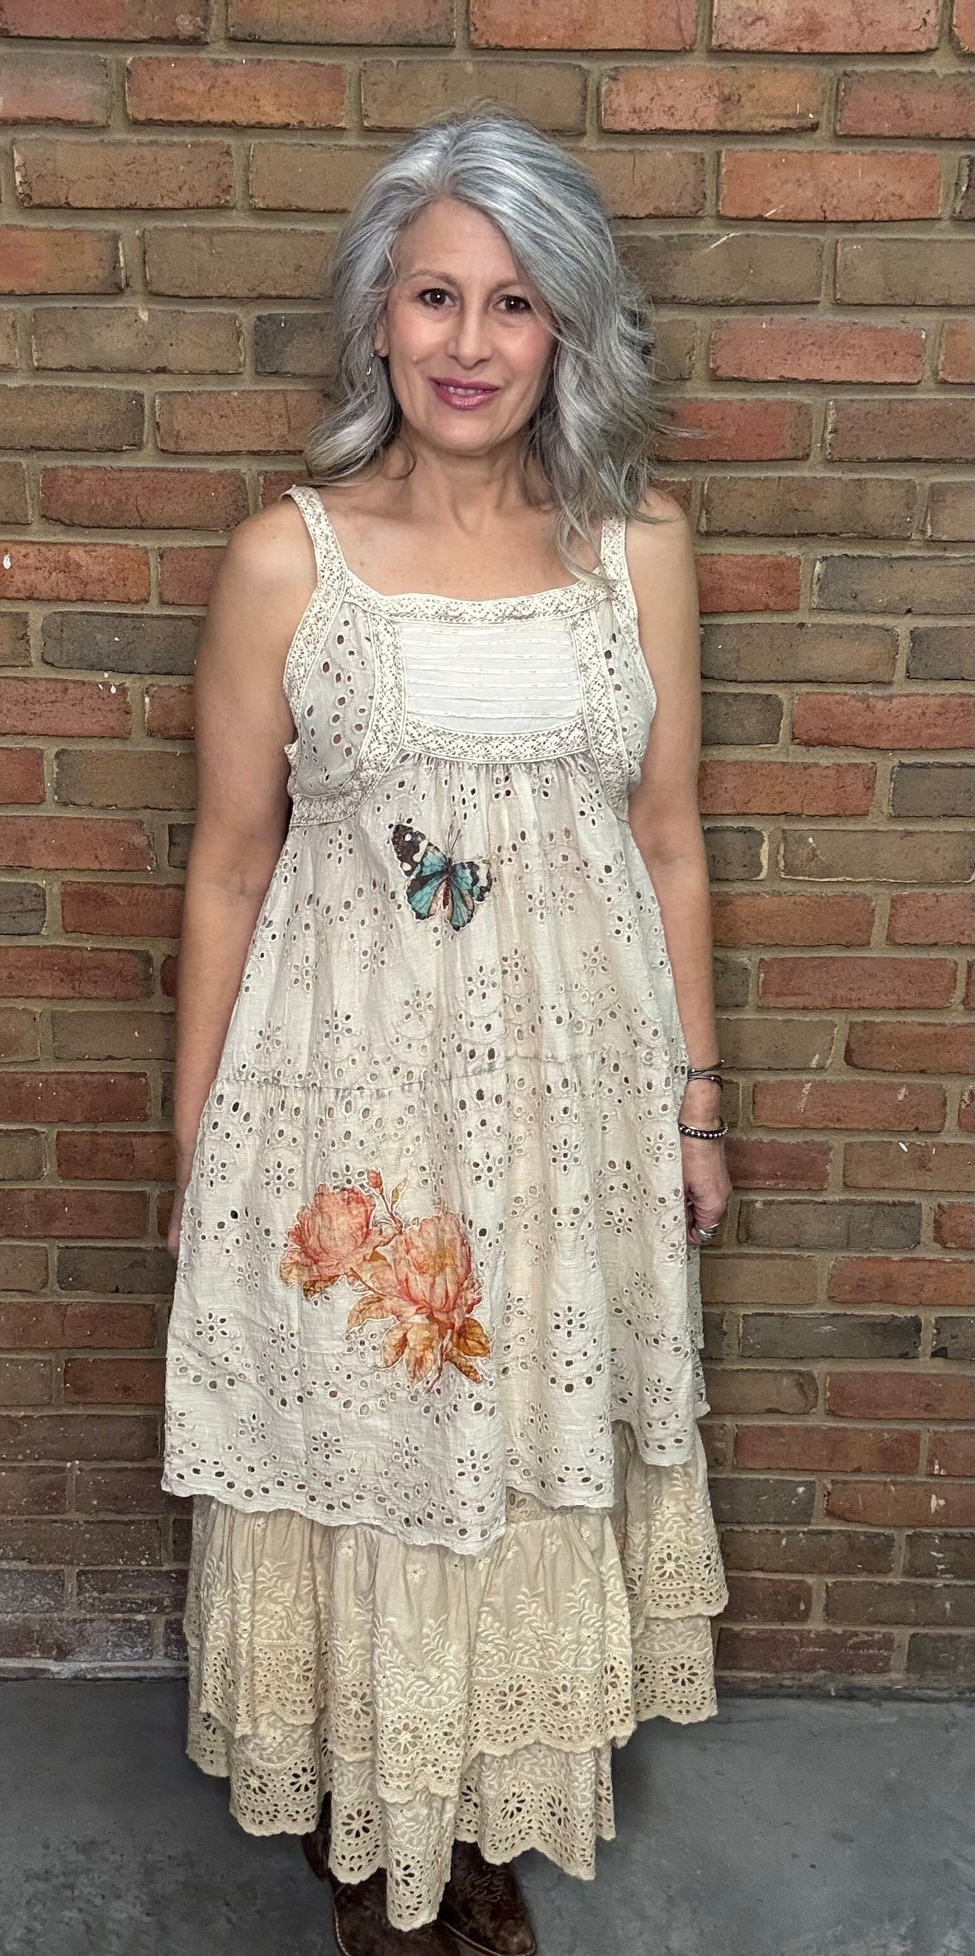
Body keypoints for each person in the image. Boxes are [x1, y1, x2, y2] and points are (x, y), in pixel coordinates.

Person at [163, 103, 731, 1956]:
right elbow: (230, 876)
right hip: (352, 1121)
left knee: (525, 1453)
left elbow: (666, 838)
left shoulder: (634, 547)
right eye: (433, 296)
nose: (469, 344)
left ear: (567, 329)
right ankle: (377, 1834)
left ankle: (478, 1817)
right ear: (378, 318)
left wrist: (696, 1107)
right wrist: (199, 1169)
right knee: (381, 1455)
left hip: (569, 1108)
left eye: (513, 303)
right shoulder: (289, 564)